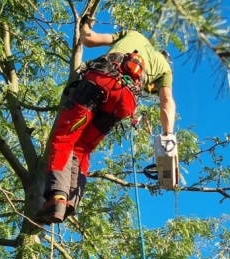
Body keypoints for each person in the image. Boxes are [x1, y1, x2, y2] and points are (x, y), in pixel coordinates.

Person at [35, 15, 177, 224]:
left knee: (64, 137)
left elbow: (89, 39)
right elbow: (167, 103)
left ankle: (57, 198)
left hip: (101, 81)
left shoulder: (133, 34)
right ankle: (71, 199)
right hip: (124, 102)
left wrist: (85, 25)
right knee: (83, 147)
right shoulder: (164, 70)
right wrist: (168, 137)